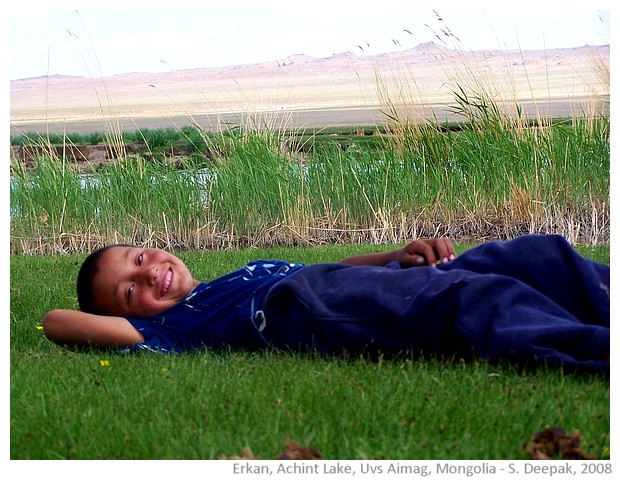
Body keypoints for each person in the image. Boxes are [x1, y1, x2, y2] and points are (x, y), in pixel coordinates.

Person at [42, 234, 610, 373]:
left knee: (538, 256)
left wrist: (398, 256)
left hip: (339, 283)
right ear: (124, 316)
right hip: (300, 309)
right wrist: (114, 317)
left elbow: (329, 270)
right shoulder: (175, 330)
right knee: (470, 299)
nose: (150, 275)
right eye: (130, 290)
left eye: (141, 258)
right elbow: (53, 322)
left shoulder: (236, 274)